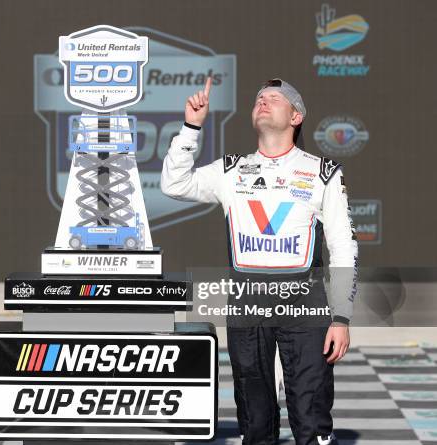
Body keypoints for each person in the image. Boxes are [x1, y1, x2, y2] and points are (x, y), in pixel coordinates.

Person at [161, 78, 358, 445]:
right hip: (248, 304)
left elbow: (343, 247)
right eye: (259, 98)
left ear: (296, 116)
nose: (263, 101)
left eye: (274, 98)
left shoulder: (324, 172)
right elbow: (174, 184)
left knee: (311, 417)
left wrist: (342, 317)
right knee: (255, 422)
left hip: (306, 306)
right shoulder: (232, 170)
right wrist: (191, 128)